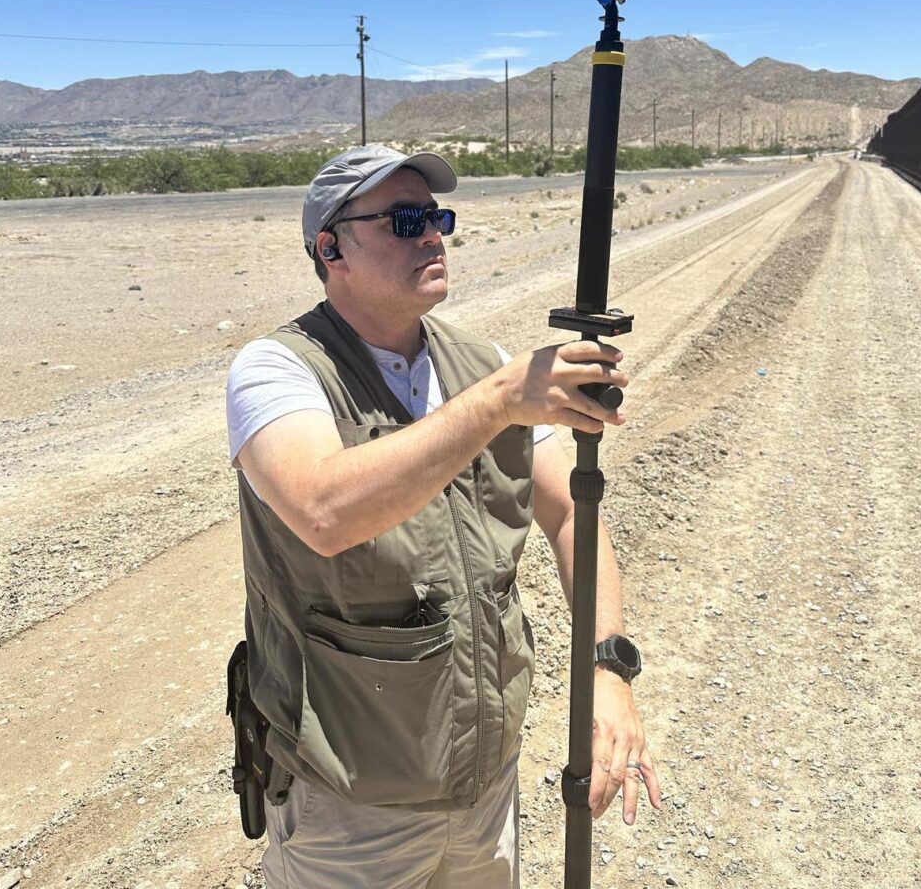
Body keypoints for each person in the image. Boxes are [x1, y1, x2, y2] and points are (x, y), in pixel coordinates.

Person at [226, 145, 661, 888]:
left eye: (436, 218)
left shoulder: (480, 361)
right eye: (403, 220)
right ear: (331, 247)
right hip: (350, 798)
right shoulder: (277, 370)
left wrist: (608, 670)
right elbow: (323, 511)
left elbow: (570, 517)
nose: (432, 235)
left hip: (483, 776)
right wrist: (494, 403)